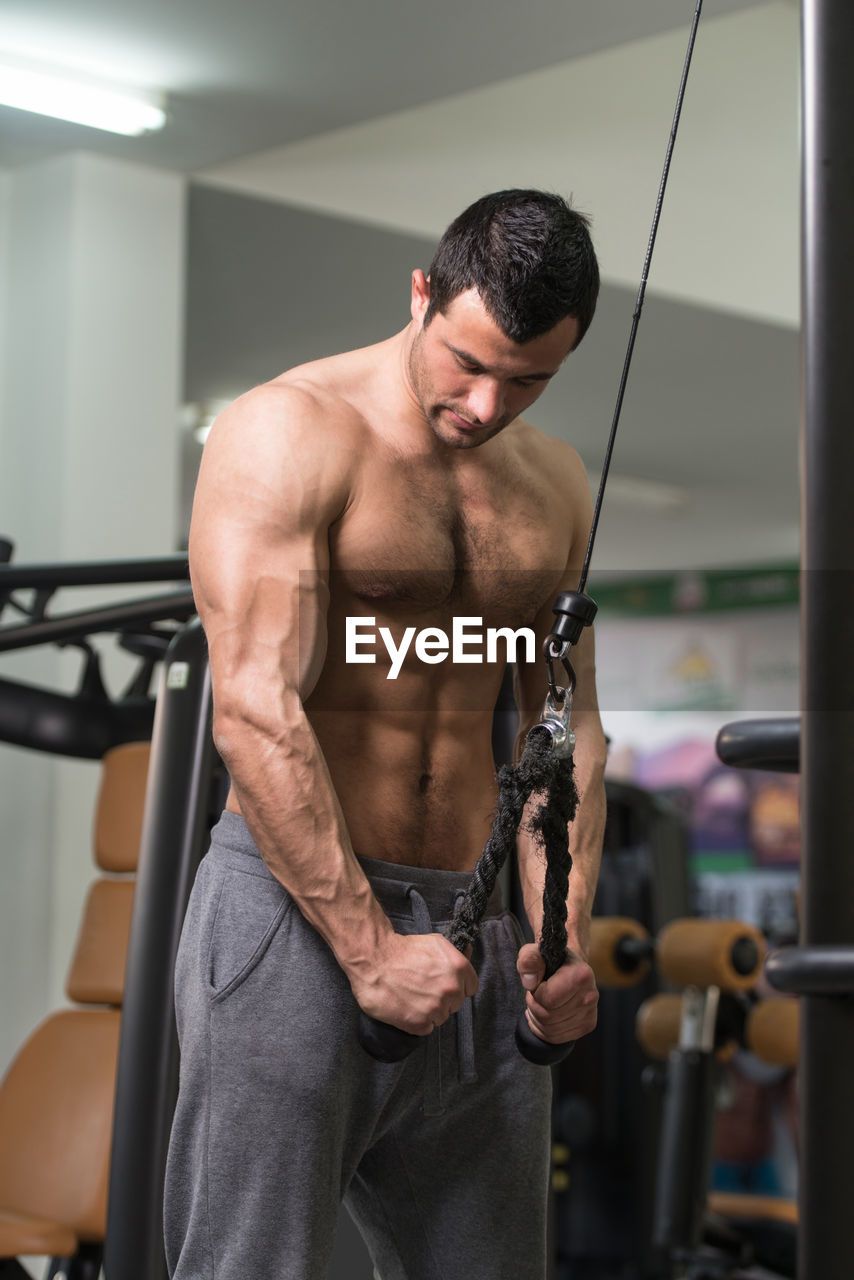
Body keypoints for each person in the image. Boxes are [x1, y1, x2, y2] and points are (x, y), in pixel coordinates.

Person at [164, 189, 608, 1280]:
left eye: (528, 378)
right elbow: (255, 706)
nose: (484, 400)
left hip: (477, 923)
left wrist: (557, 936)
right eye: (466, 359)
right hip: (296, 917)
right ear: (420, 292)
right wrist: (365, 949)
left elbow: (563, 730)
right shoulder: (288, 432)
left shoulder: (552, 485)